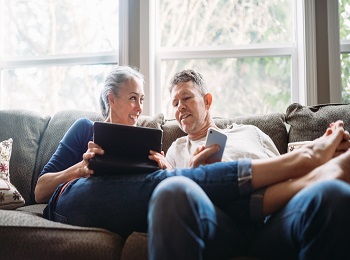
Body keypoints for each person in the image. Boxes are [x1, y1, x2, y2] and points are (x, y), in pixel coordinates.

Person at [147, 70, 350, 259]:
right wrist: (188, 174)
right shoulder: (177, 149)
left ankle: (315, 170)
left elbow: (284, 174)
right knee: (172, 189)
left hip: (272, 222)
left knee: (333, 192)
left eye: (186, 98)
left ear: (207, 101)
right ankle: (314, 166)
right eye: (174, 103)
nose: (180, 107)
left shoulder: (251, 133)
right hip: (220, 223)